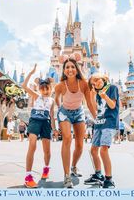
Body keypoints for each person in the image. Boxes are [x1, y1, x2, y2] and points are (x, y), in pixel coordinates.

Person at [55, 54, 96, 188]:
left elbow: (89, 103)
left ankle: (73, 166)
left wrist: (97, 117)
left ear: (77, 69)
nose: (70, 69)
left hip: (79, 113)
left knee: (79, 145)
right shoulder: (60, 85)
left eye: (73, 66)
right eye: (67, 67)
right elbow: (56, 98)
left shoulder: (84, 83)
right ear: (64, 70)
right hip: (64, 112)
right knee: (67, 139)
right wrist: (58, 108)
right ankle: (66, 176)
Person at [22, 64, 56, 188]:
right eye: (43, 89)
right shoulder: (37, 96)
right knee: (32, 145)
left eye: (47, 89)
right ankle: (28, 176)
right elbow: (24, 86)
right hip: (35, 121)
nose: (45, 91)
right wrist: (31, 73)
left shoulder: (52, 101)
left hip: (46, 123)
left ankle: (46, 168)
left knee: (47, 150)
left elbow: (52, 115)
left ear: (51, 88)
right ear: (40, 89)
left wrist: (55, 128)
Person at [84, 73, 119, 188]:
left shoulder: (112, 87)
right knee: (93, 150)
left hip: (109, 123)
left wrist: (105, 97)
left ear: (102, 78)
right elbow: (95, 109)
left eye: (96, 80)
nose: (96, 83)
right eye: (93, 84)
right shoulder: (98, 94)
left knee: (103, 150)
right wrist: (94, 96)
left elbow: (113, 105)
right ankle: (98, 174)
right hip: (99, 123)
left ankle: (109, 179)